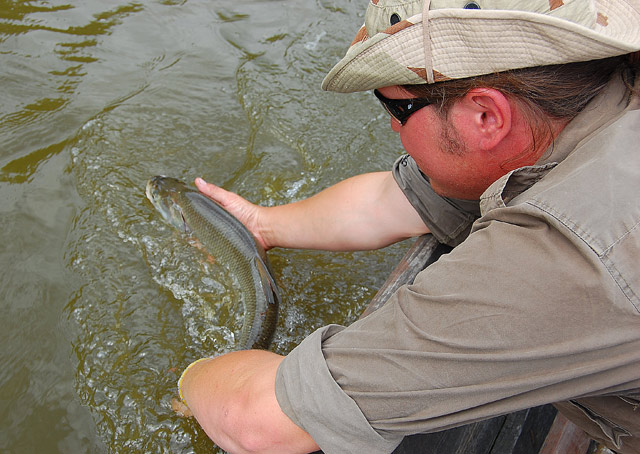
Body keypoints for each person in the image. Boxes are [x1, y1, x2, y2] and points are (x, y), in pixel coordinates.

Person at [178, 0, 640, 453]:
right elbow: (388, 201)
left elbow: (259, 421)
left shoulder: (565, 255)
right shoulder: (598, 108)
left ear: (486, 115)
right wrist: (261, 226)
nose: (392, 132)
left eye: (396, 110)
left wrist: (193, 378)